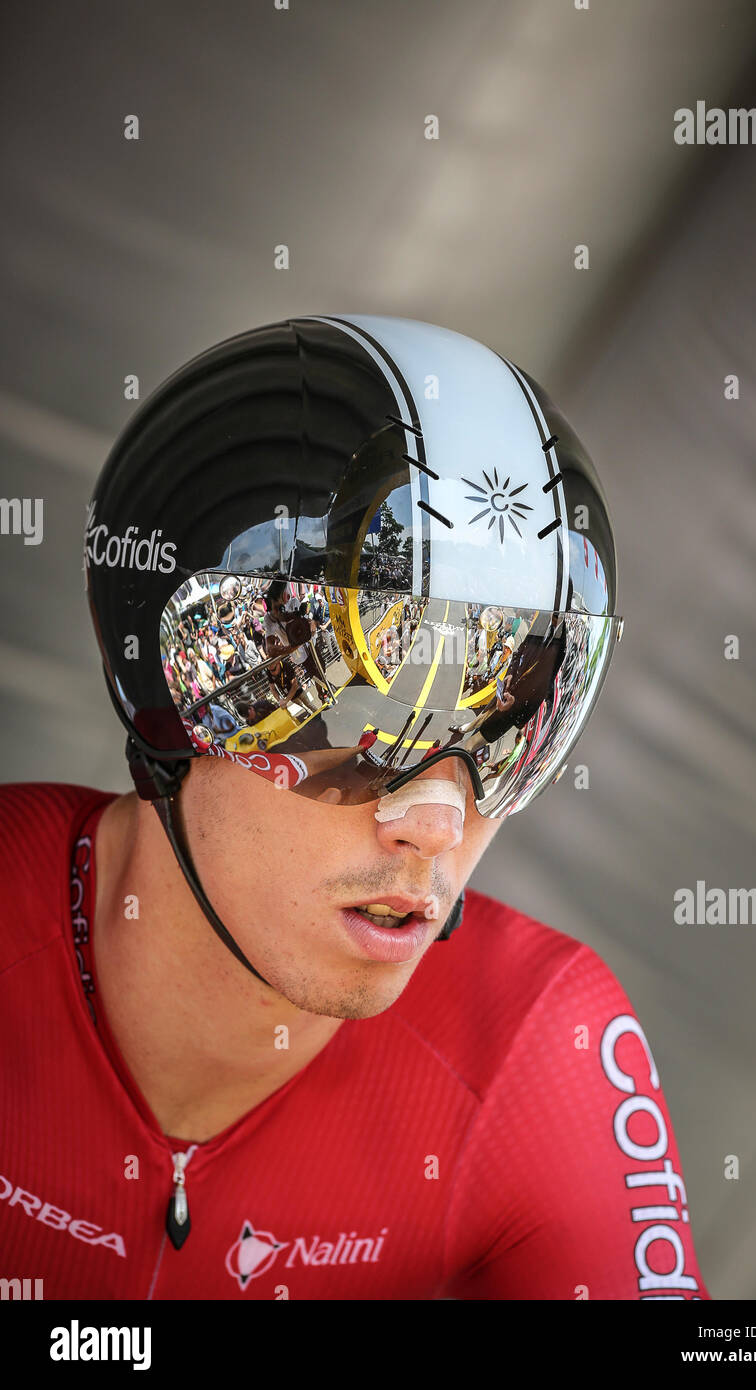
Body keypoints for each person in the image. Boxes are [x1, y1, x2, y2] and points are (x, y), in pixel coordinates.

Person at [0, 313, 706, 1300]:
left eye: (510, 732)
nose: (435, 823)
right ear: (167, 689)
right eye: (355, 718)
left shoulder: (539, 1050)